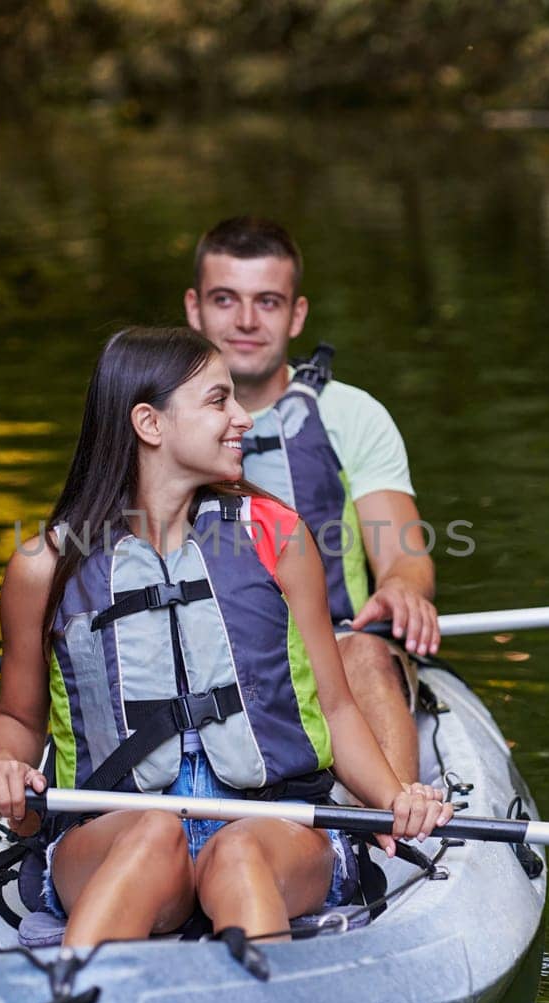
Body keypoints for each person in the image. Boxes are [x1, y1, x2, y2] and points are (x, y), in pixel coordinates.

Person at [0, 327, 450, 948]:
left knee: (238, 850)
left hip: (273, 823)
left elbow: (335, 707)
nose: (244, 418)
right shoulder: (43, 568)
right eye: (219, 401)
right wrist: (3, 767)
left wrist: (394, 798)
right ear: (150, 423)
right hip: (112, 832)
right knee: (150, 835)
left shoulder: (280, 536)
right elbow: (17, 719)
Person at [184, 216, 435, 782]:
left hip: (339, 645)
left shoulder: (353, 414)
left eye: (268, 302)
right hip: (205, 657)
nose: (246, 321)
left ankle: (396, 830)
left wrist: (401, 587)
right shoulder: (154, 420)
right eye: (226, 300)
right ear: (194, 308)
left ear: (297, 314)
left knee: (364, 655)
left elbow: (405, 556)